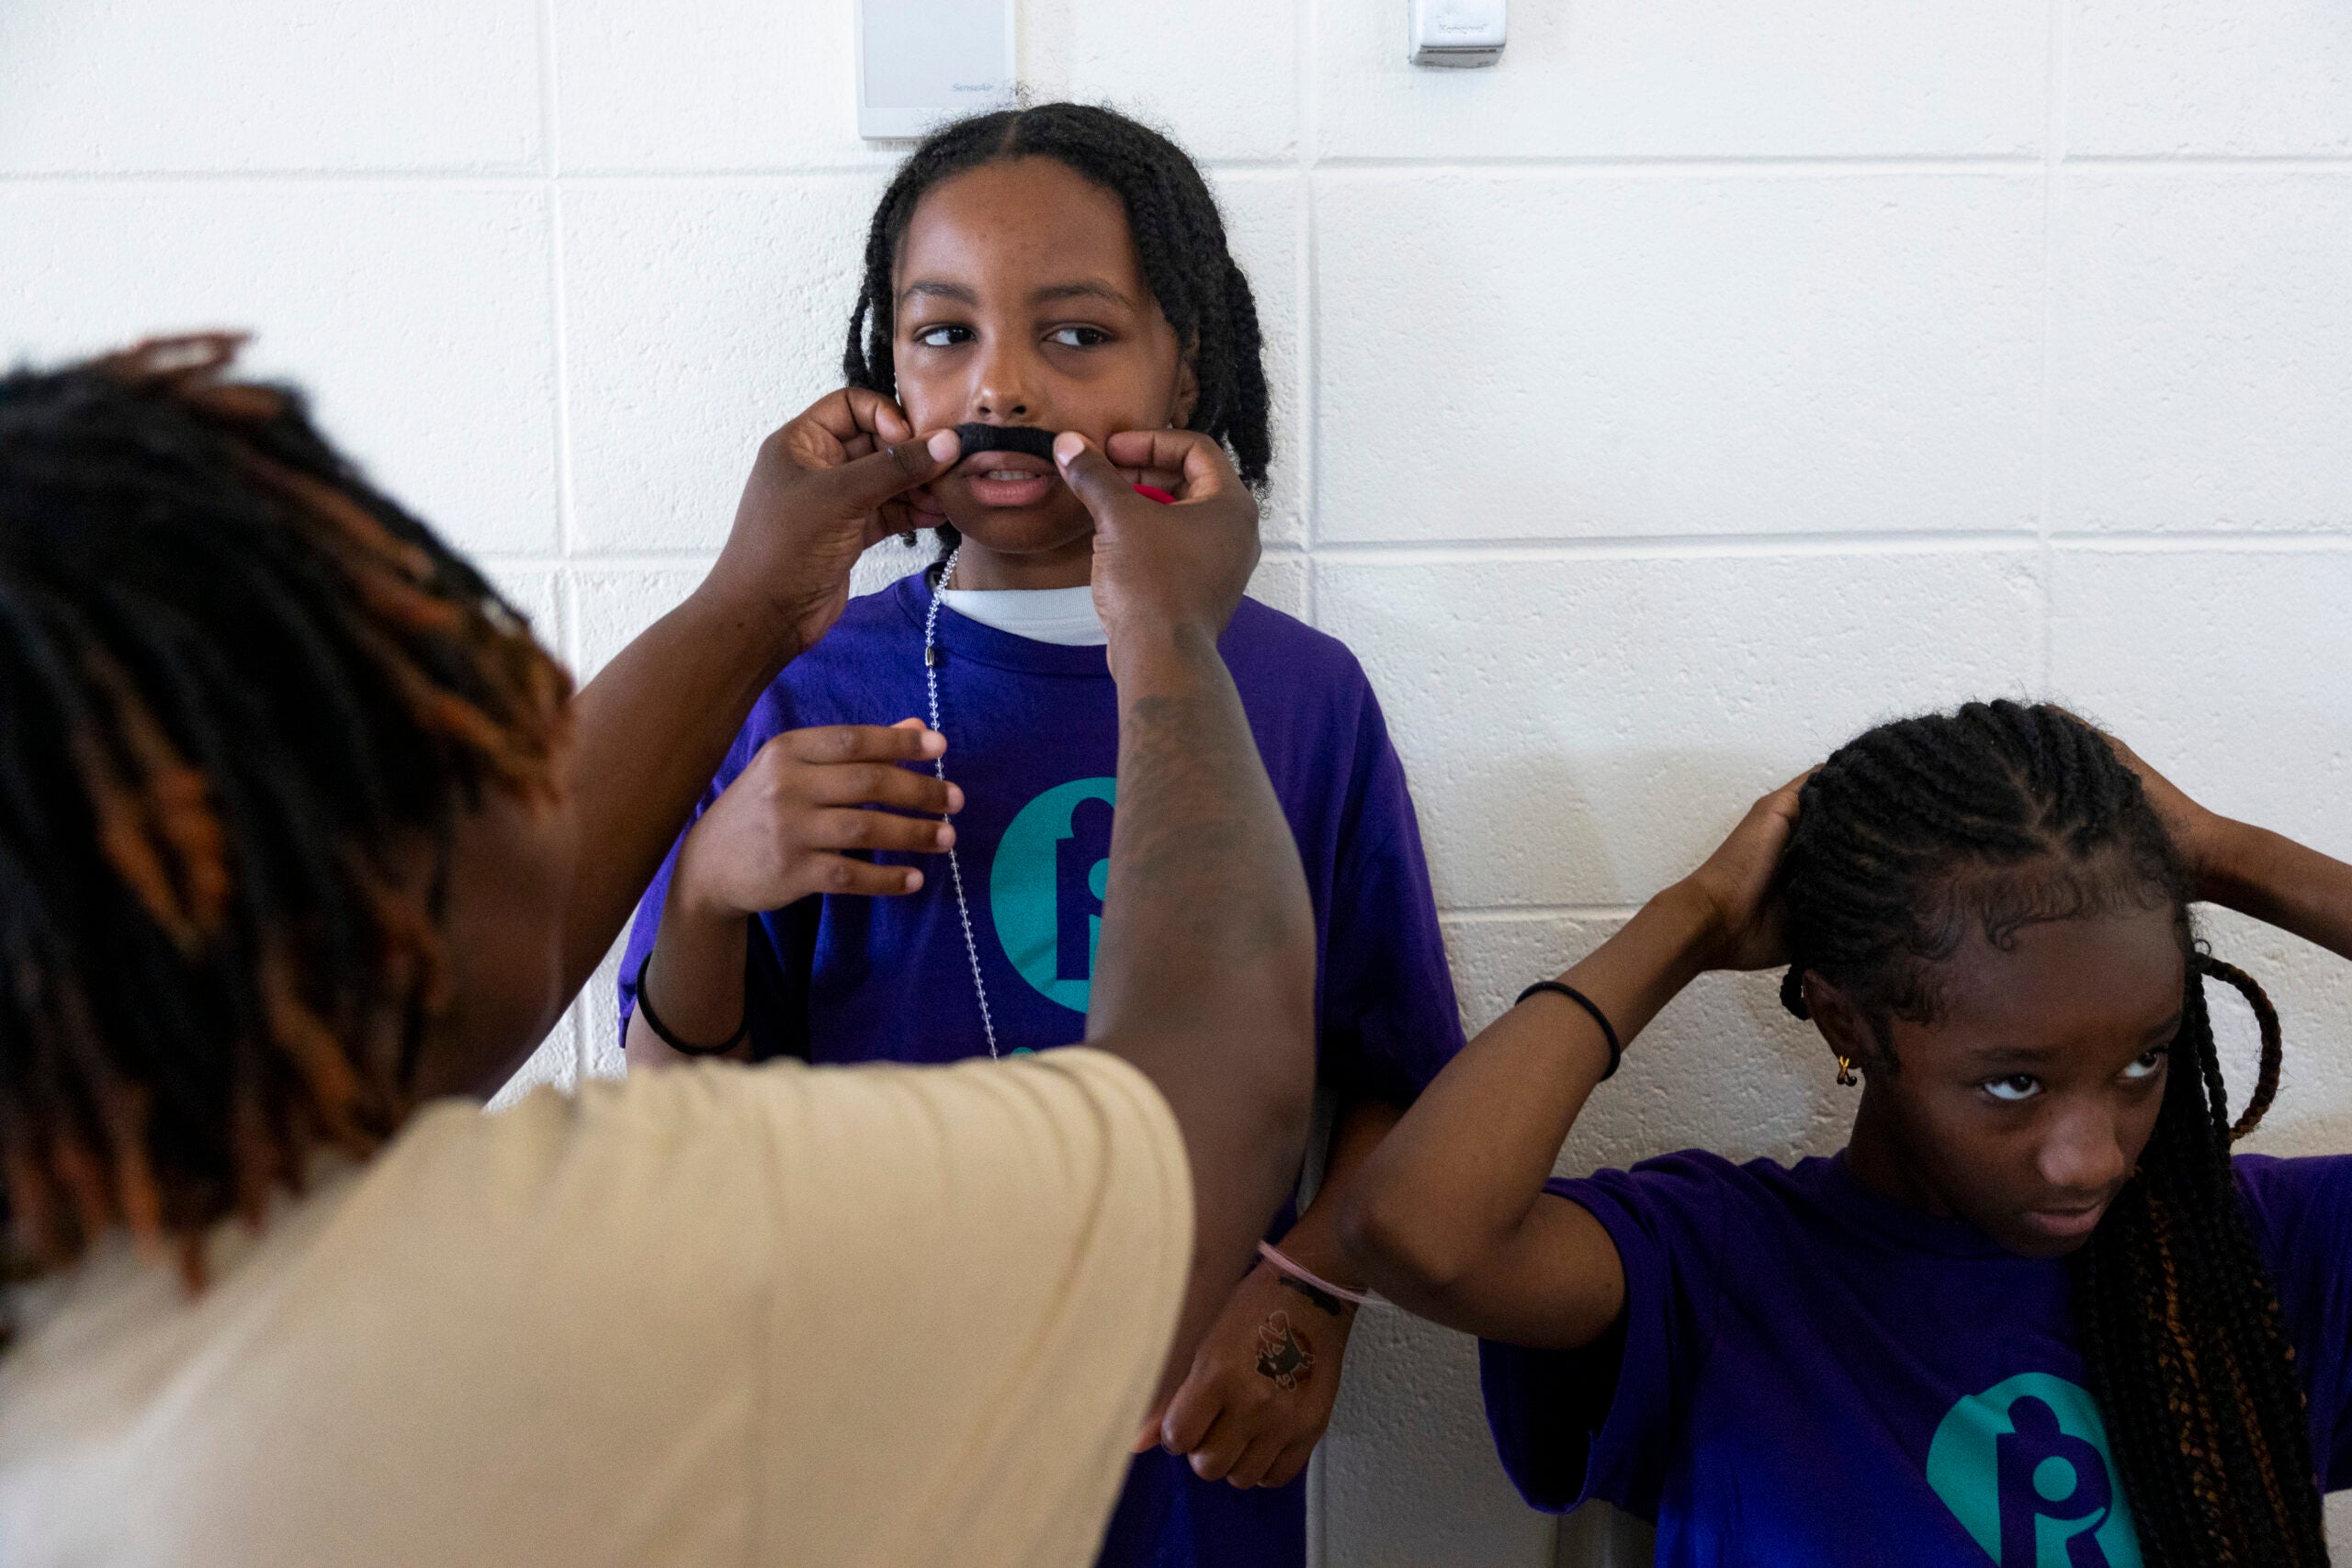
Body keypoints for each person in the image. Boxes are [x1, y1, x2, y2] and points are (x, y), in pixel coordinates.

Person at [0, 334, 1318, 1568]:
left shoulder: (89, 1234)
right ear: (356, 858)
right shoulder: (549, 1280)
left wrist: (751, 596)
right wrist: (1171, 633)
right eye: (462, 695)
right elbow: (1209, 1098)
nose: (536, 740)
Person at [617, 102, 1463, 1566]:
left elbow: (1399, 1076)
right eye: (943, 333)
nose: (999, 383)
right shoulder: (807, 677)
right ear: (883, 364)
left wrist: (1311, 1296)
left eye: (1073, 335)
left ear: (1184, 361)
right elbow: (670, 1121)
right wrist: (706, 886)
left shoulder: (1301, 695)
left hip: (1181, 1447)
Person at [1343, 700, 2352, 1566]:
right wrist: (1689, 920)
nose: (2089, 1156)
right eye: (2012, 1082)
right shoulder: (1719, 1270)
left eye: (2143, 1061)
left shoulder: (2262, 1255)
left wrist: (2223, 854)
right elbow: (1414, 1231)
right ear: (1844, 1023)